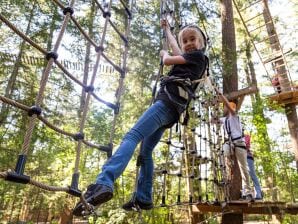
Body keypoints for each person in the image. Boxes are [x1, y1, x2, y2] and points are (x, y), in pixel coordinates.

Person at [72, 20, 208, 216]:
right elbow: (176, 48)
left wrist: (164, 55)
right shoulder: (191, 58)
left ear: (201, 42)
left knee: (132, 136)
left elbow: (169, 59)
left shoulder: (198, 56)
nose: (188, 43)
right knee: (145, 152)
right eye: (185, 40)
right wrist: (168, 31)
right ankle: (144, 197)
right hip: (172, 111)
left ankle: (104, 182)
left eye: (192, 39)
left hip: (165, 105)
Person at [215, 96, 254, 201]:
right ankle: (226, 169)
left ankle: (247, 191)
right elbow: (213, 121)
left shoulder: (235, 116)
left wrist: (221, 96)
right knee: (222, 151)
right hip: (231, 144)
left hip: (240, 144)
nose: (224, 108)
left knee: (243, 168)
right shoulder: (225, 119)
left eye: (225, 107)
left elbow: (230, 108)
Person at [244, 133, 263, 200]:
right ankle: (245, 194)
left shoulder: (246, 136)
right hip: (241, 158)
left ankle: (259, 193)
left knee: (252, 175)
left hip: (248, 157)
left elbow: (245, 145)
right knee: (244, 176)